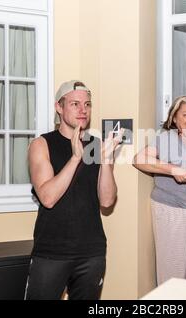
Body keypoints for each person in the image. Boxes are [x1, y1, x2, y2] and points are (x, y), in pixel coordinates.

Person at [25, 80, 122, 300]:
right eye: (75, 104)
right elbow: (48, 198)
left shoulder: (97, 145)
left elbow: (107, 201)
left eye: (87, 104)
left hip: (91, 251)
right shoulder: (41, 144)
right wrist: (76, 158)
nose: (83, 110)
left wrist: (106, 160)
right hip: (52, 252)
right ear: (59, 107)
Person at [133, 95, 186, 286]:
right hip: (175, 211)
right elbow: (139, 159)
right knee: (173, 274)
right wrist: (173, 169)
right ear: (174, 118)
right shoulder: (167, 139)